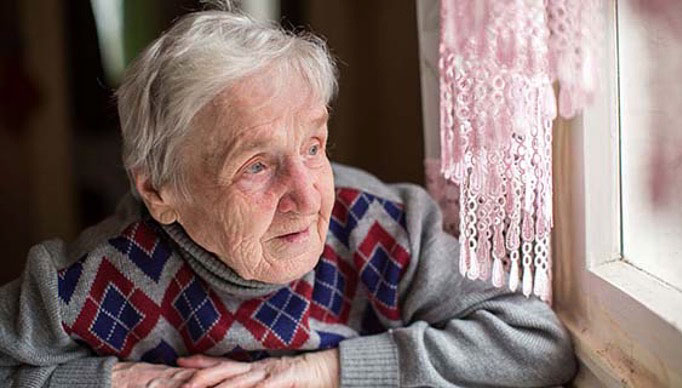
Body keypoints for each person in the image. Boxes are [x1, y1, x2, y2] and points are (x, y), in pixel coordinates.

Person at [0, 3, 576, 387]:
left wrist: (323, 373)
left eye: (312, 145)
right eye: (256, 166)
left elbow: (536, 344)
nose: (307, 195)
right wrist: (125, 380)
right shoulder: (92, 279)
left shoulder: (385, 229)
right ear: (158, 190)